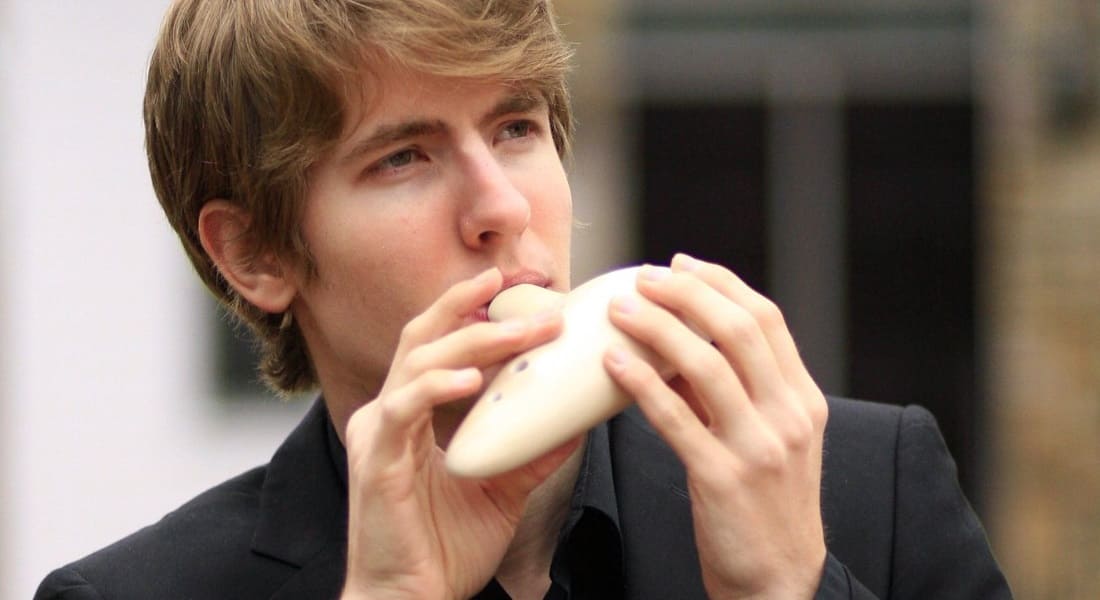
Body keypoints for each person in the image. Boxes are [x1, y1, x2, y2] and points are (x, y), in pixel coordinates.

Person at [35, 0, 1011, 598]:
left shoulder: (864, 487)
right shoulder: (131, 592)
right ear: (254, 255)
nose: (502, 208)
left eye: (515, 127)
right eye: (403, 158)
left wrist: (789, 593)